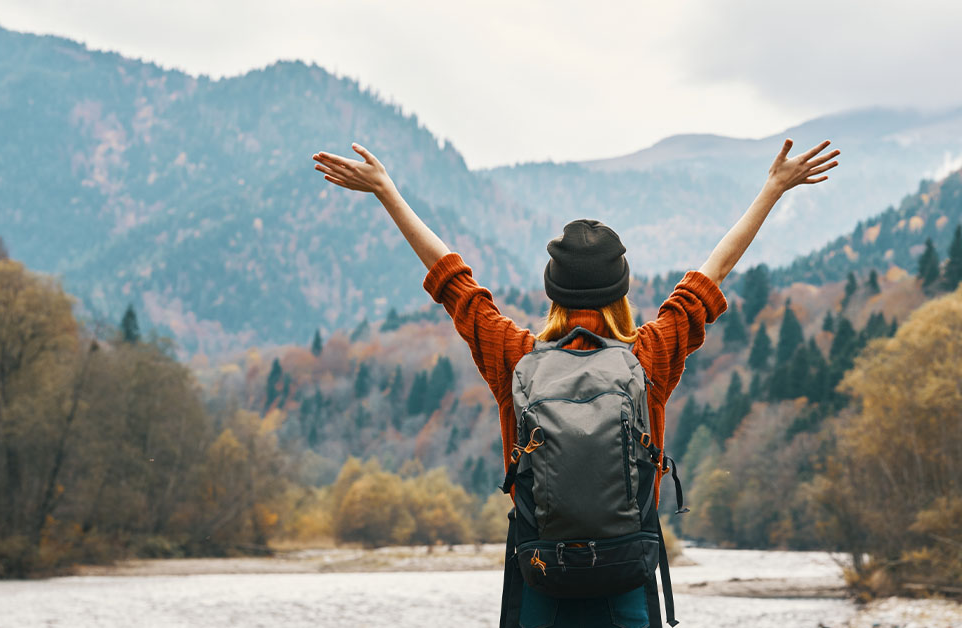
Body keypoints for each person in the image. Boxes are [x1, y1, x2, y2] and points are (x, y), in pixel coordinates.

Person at [312, 137, 838, 627]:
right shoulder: (647, 358)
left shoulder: (516, 359)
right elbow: (709, 277)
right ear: (622, 293)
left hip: (541, 575)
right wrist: (773, 189)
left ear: (552, 293)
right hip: (628, 575)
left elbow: (454, 281)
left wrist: (387, 191)